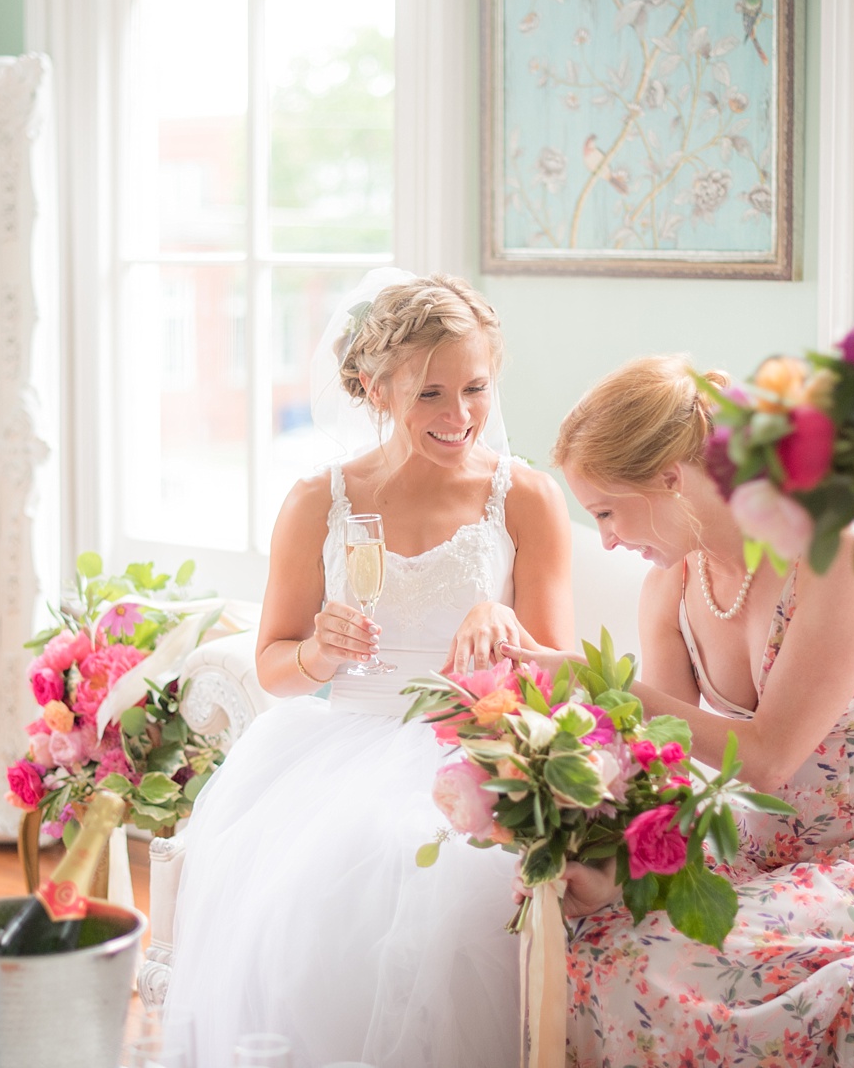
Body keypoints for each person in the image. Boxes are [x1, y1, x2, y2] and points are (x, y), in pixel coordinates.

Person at [161, 273, 575, 1067]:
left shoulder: (523, 497)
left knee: (445, 883)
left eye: (476, 388)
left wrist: (505, 622)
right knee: (307, 902)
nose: (459, 416)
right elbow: (277, 667)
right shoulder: (320, 501)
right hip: (340, 745)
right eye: (430, 394)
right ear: (372, 388)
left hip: (472, 748)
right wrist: (318, 651)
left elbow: (555, 678)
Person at [507, 355, 854, 1065]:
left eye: (605, 511)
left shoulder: (841, 554)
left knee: (648, 962)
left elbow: (768, 760)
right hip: (745, 858)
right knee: (585, 938)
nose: (606, 540)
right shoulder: (672, 588)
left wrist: (597, 684)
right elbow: (670, 775)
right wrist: (611, 873)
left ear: (671, 477)